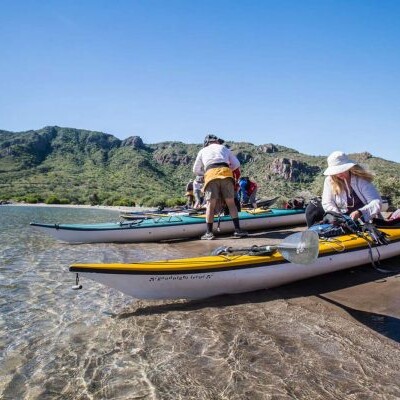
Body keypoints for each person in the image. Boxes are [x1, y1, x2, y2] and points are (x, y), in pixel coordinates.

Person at [305, 150, 383, 227]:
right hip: (342, 222)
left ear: (348, 167)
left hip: (366, 221)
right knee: (312, 208)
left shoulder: (360, 179)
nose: (339, 173)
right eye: (336, 171)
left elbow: (376, 201)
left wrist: (360, 212)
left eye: (341, 170)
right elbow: (327, 202)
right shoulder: (329, 180)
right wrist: (339, 217)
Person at [193, 134, 248, 240]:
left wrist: (205, 172)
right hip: (226, 174)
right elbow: (236, 164)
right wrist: (228, 169)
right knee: (231, 203)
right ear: (216, 141)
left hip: (211, 176)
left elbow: (195, 170)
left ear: (206, 142)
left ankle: (209, 233)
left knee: (210, 205)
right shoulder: (224, 148)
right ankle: (237, 230)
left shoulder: (202, 151)